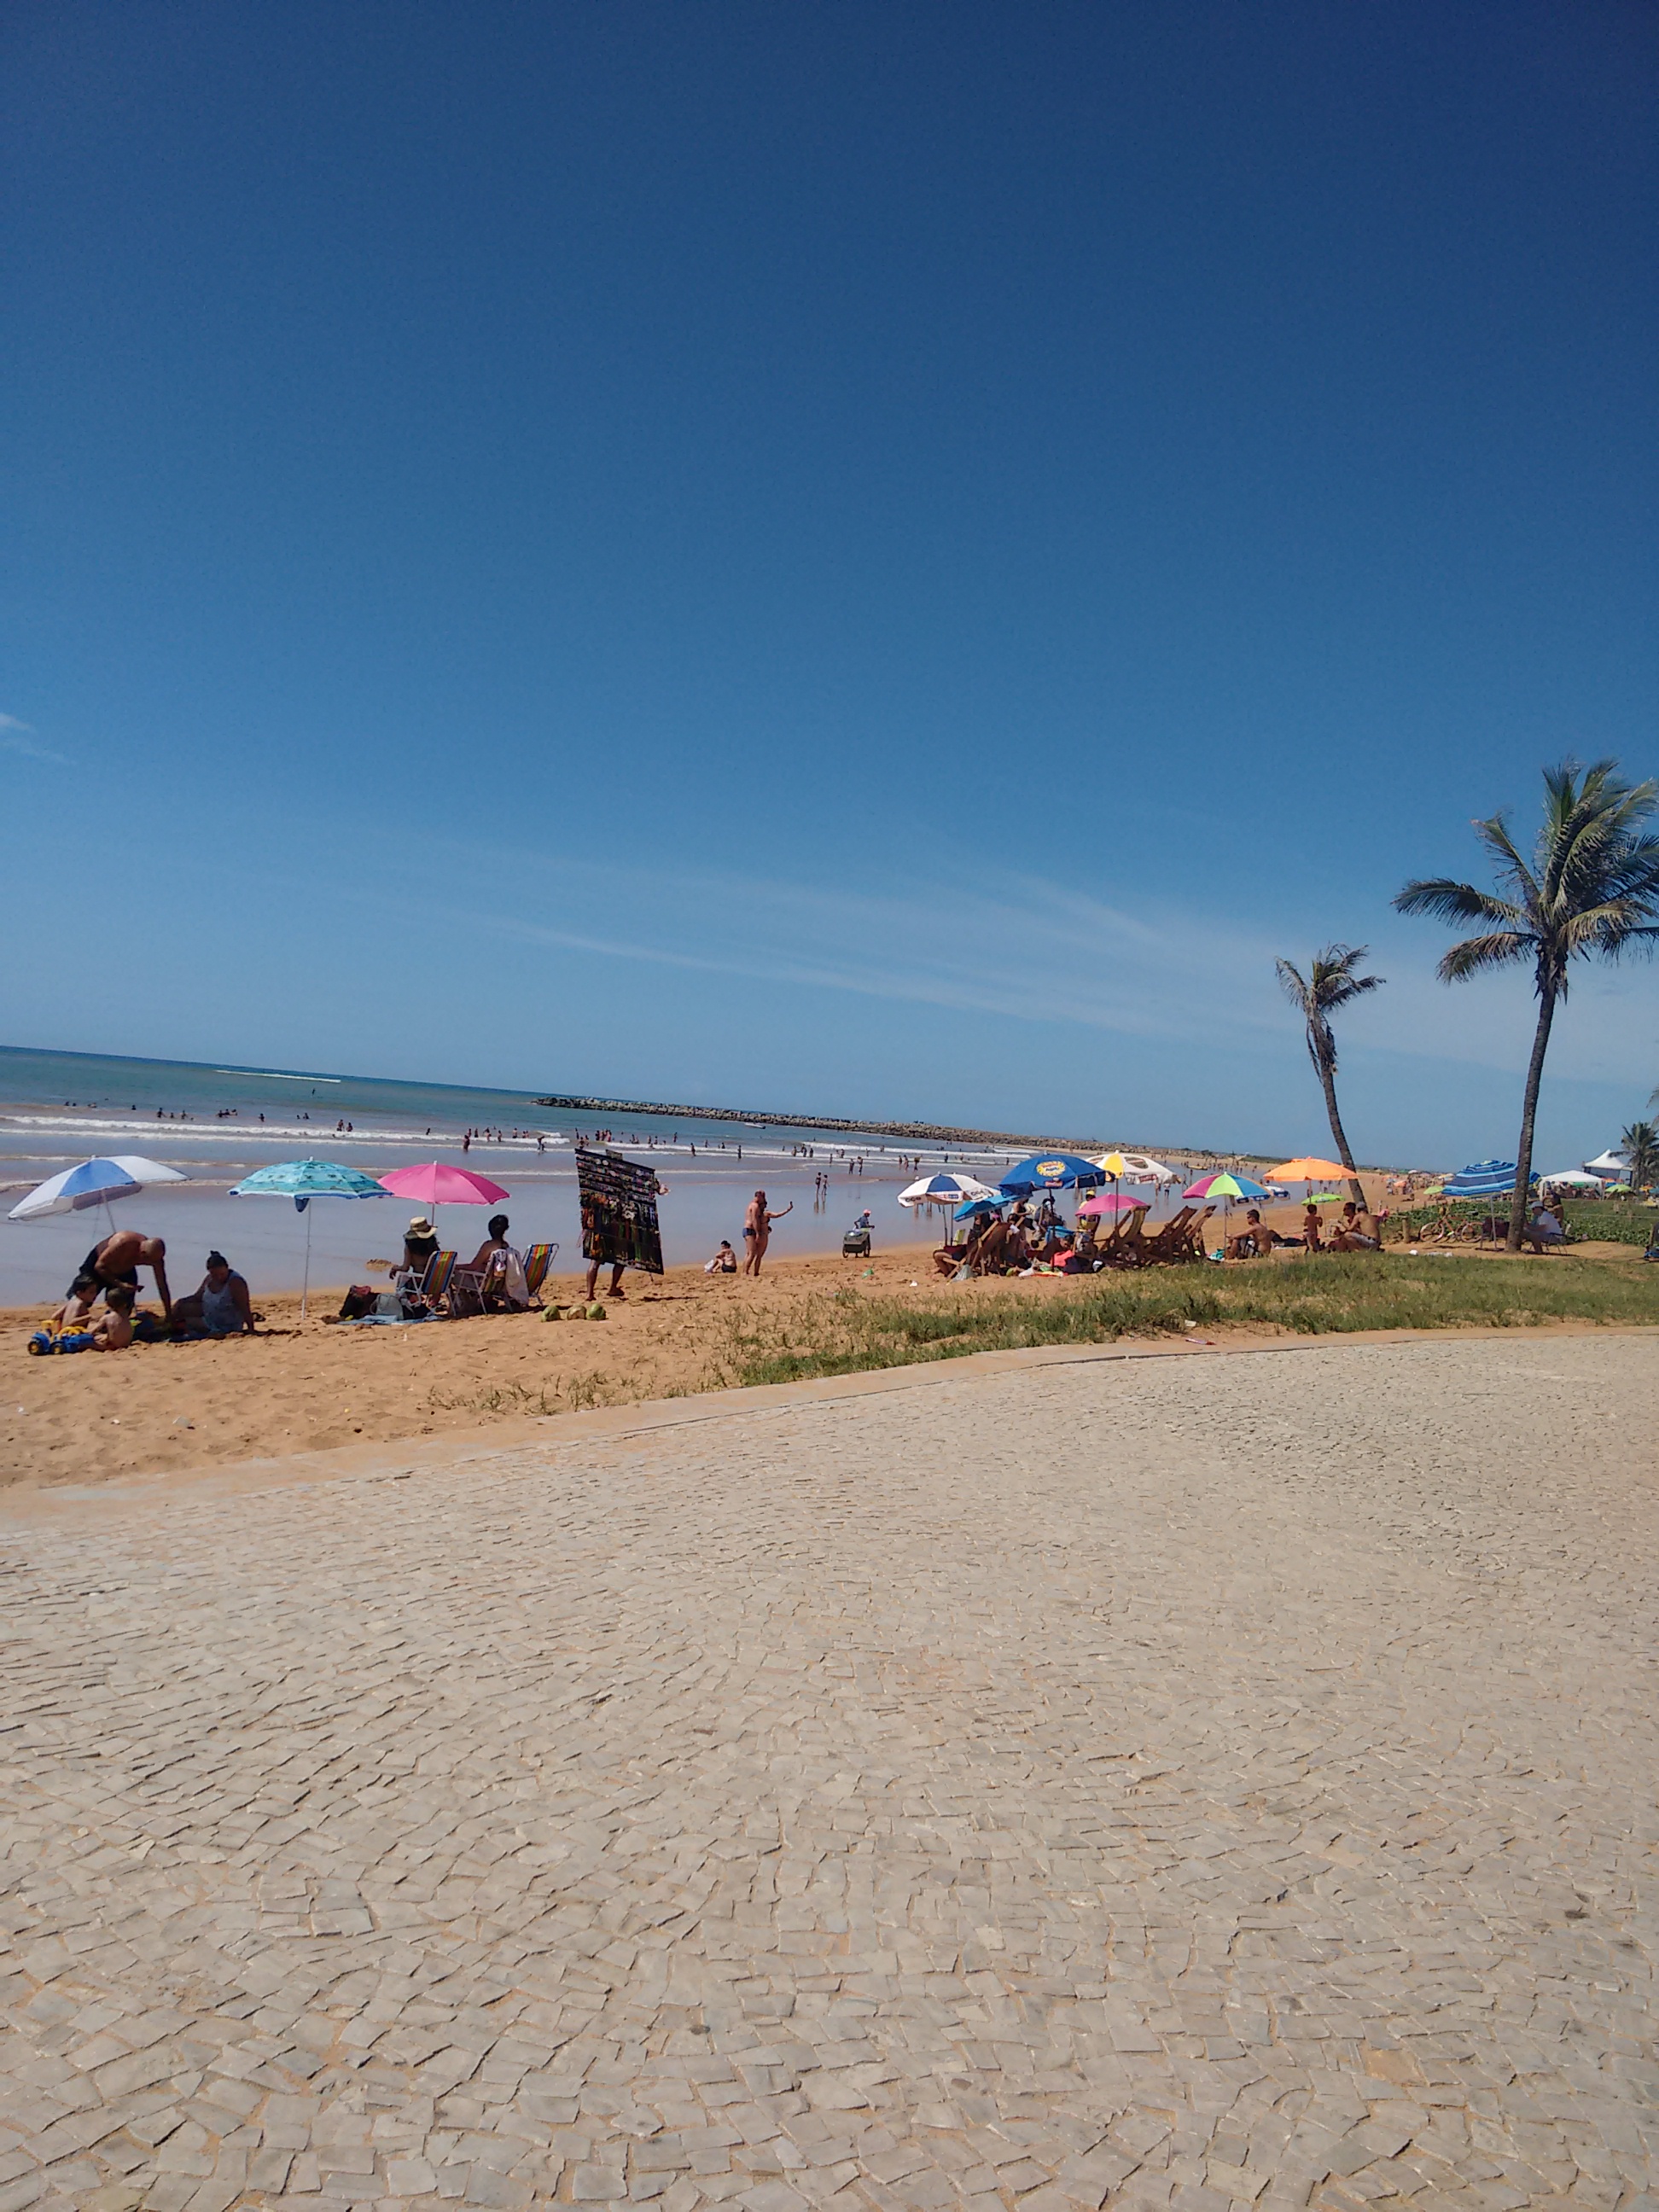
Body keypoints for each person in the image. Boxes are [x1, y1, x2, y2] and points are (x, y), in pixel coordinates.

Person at [78, 1229, 172, 1317]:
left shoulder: (156, 1259)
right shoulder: (123, 1243)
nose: (149, 1262)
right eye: (147, 1260)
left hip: (124, 1270)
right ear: (142, 1253)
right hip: (99, 1264)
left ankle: (113, 1323)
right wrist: (120, 1284)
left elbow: (162, 1285)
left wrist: (168, 1313)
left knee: (124, 1305)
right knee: (81, 1297)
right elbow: (99, 1266)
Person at [31, 1280, 136, 1355]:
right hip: (71, 1332)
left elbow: (54, 1316)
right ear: (79, 1293)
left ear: (108, 1304)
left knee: (92, 1339)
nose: (95, 1295)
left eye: (95, 1292)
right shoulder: (81, 1304)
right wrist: (89, 1317)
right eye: (91, 1292)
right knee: (94, 1338)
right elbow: (72, 1323)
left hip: (66, 1333)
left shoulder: (71, 1302)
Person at [172, 1252, 258, 1336]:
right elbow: (197, 1297)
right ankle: (166, 1323)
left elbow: (244, 1308)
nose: (219, 1277)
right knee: (180, 1308)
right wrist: (181, 1302)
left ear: (227, 1268)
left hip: (223, 1324)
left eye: (222, 1274)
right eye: (215, 1275)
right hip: (209, 1312)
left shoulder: (235, 1282)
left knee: (184, 1322)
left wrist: (251, 1329)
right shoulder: (209, 1279)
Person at [462, 1215, 530, 1310]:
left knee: (453, 1276)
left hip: (482, 1283)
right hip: (498, 1283)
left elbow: (473, 1266)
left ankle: (467, 1304)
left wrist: (454, 1266)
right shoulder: (506, 1246)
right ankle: (481, 1301)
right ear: (506, 1229)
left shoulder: (488, 1246)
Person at [742, 1190, 793, 1276]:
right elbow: (755, 1220)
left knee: (750, 1253)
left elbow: (758, 1220)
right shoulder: (755, 1206)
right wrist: (758, 1233)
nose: (764, 1201)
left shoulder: (755, 1207)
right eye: (763, 1198)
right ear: (759, 1197)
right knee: (752, 1253)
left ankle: (748, 1271)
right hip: (751, 1230)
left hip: (751, 1230)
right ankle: (745, 1272)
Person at [394, 1217, 439, 1282]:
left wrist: (395, 1268)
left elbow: (405, 1268)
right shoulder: (433, 1245)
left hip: (419, 1282)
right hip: (435, 1281)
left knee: (402, 1277)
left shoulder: (410, 1247)